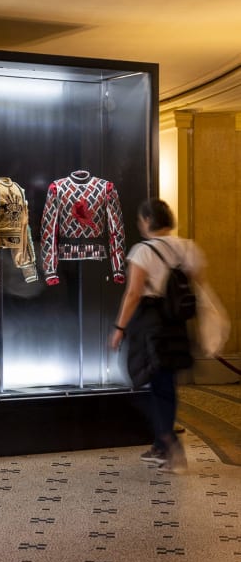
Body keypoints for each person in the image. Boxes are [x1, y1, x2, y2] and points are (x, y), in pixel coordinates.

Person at [109, 198, 207, 473]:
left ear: (148, 220)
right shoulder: (188, 247)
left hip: (151, 326)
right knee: (166, 384)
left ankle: (170, 445)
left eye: (141, 219)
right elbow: (195, 285)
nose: (140, 224)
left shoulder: (143, 251)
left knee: (144, 383)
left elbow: (133, 293)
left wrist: (119, 328)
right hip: (177, 325)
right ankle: (161, 447)